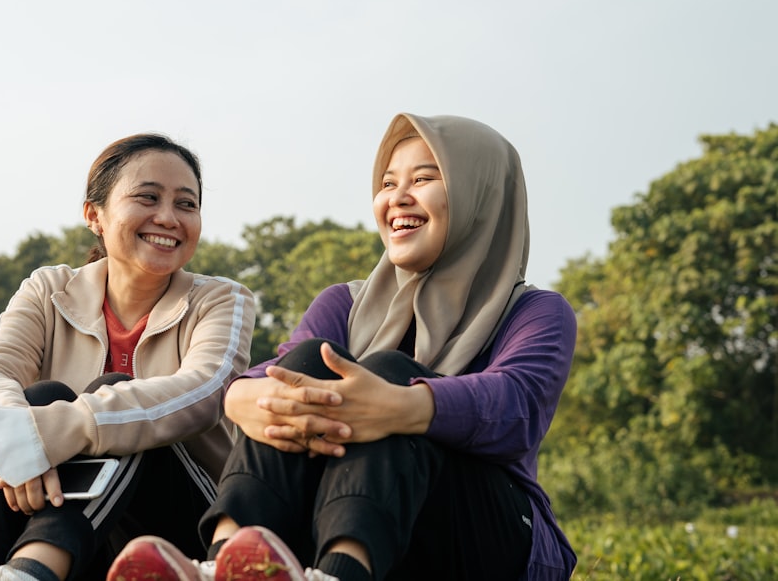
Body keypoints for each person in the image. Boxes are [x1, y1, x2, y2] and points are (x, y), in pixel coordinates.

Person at [105, 113, 578, 581]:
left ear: (482, 195)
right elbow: (280, 369)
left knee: (390, 369)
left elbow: (516, 409)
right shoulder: (345, 303)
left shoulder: (535, 312)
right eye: (388, 183)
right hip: (331, 515)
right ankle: (229, 557)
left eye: (425, 179)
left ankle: (342, 571)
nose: (398, 198)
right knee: (308, 364)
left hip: (485, 533)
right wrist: (242, 394)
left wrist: (402, 403)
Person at [0, 133, 256, 581]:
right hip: (68, 525)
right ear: (94, 215)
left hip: (179, 526)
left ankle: (33, 570)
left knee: (116, 396)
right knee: (37, 395)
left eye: (186, 204)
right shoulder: (48, 289)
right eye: (148, 197)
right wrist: (17, 444)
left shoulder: (221, 300)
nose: (169, 217)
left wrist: (60, 433)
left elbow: (204, 393)